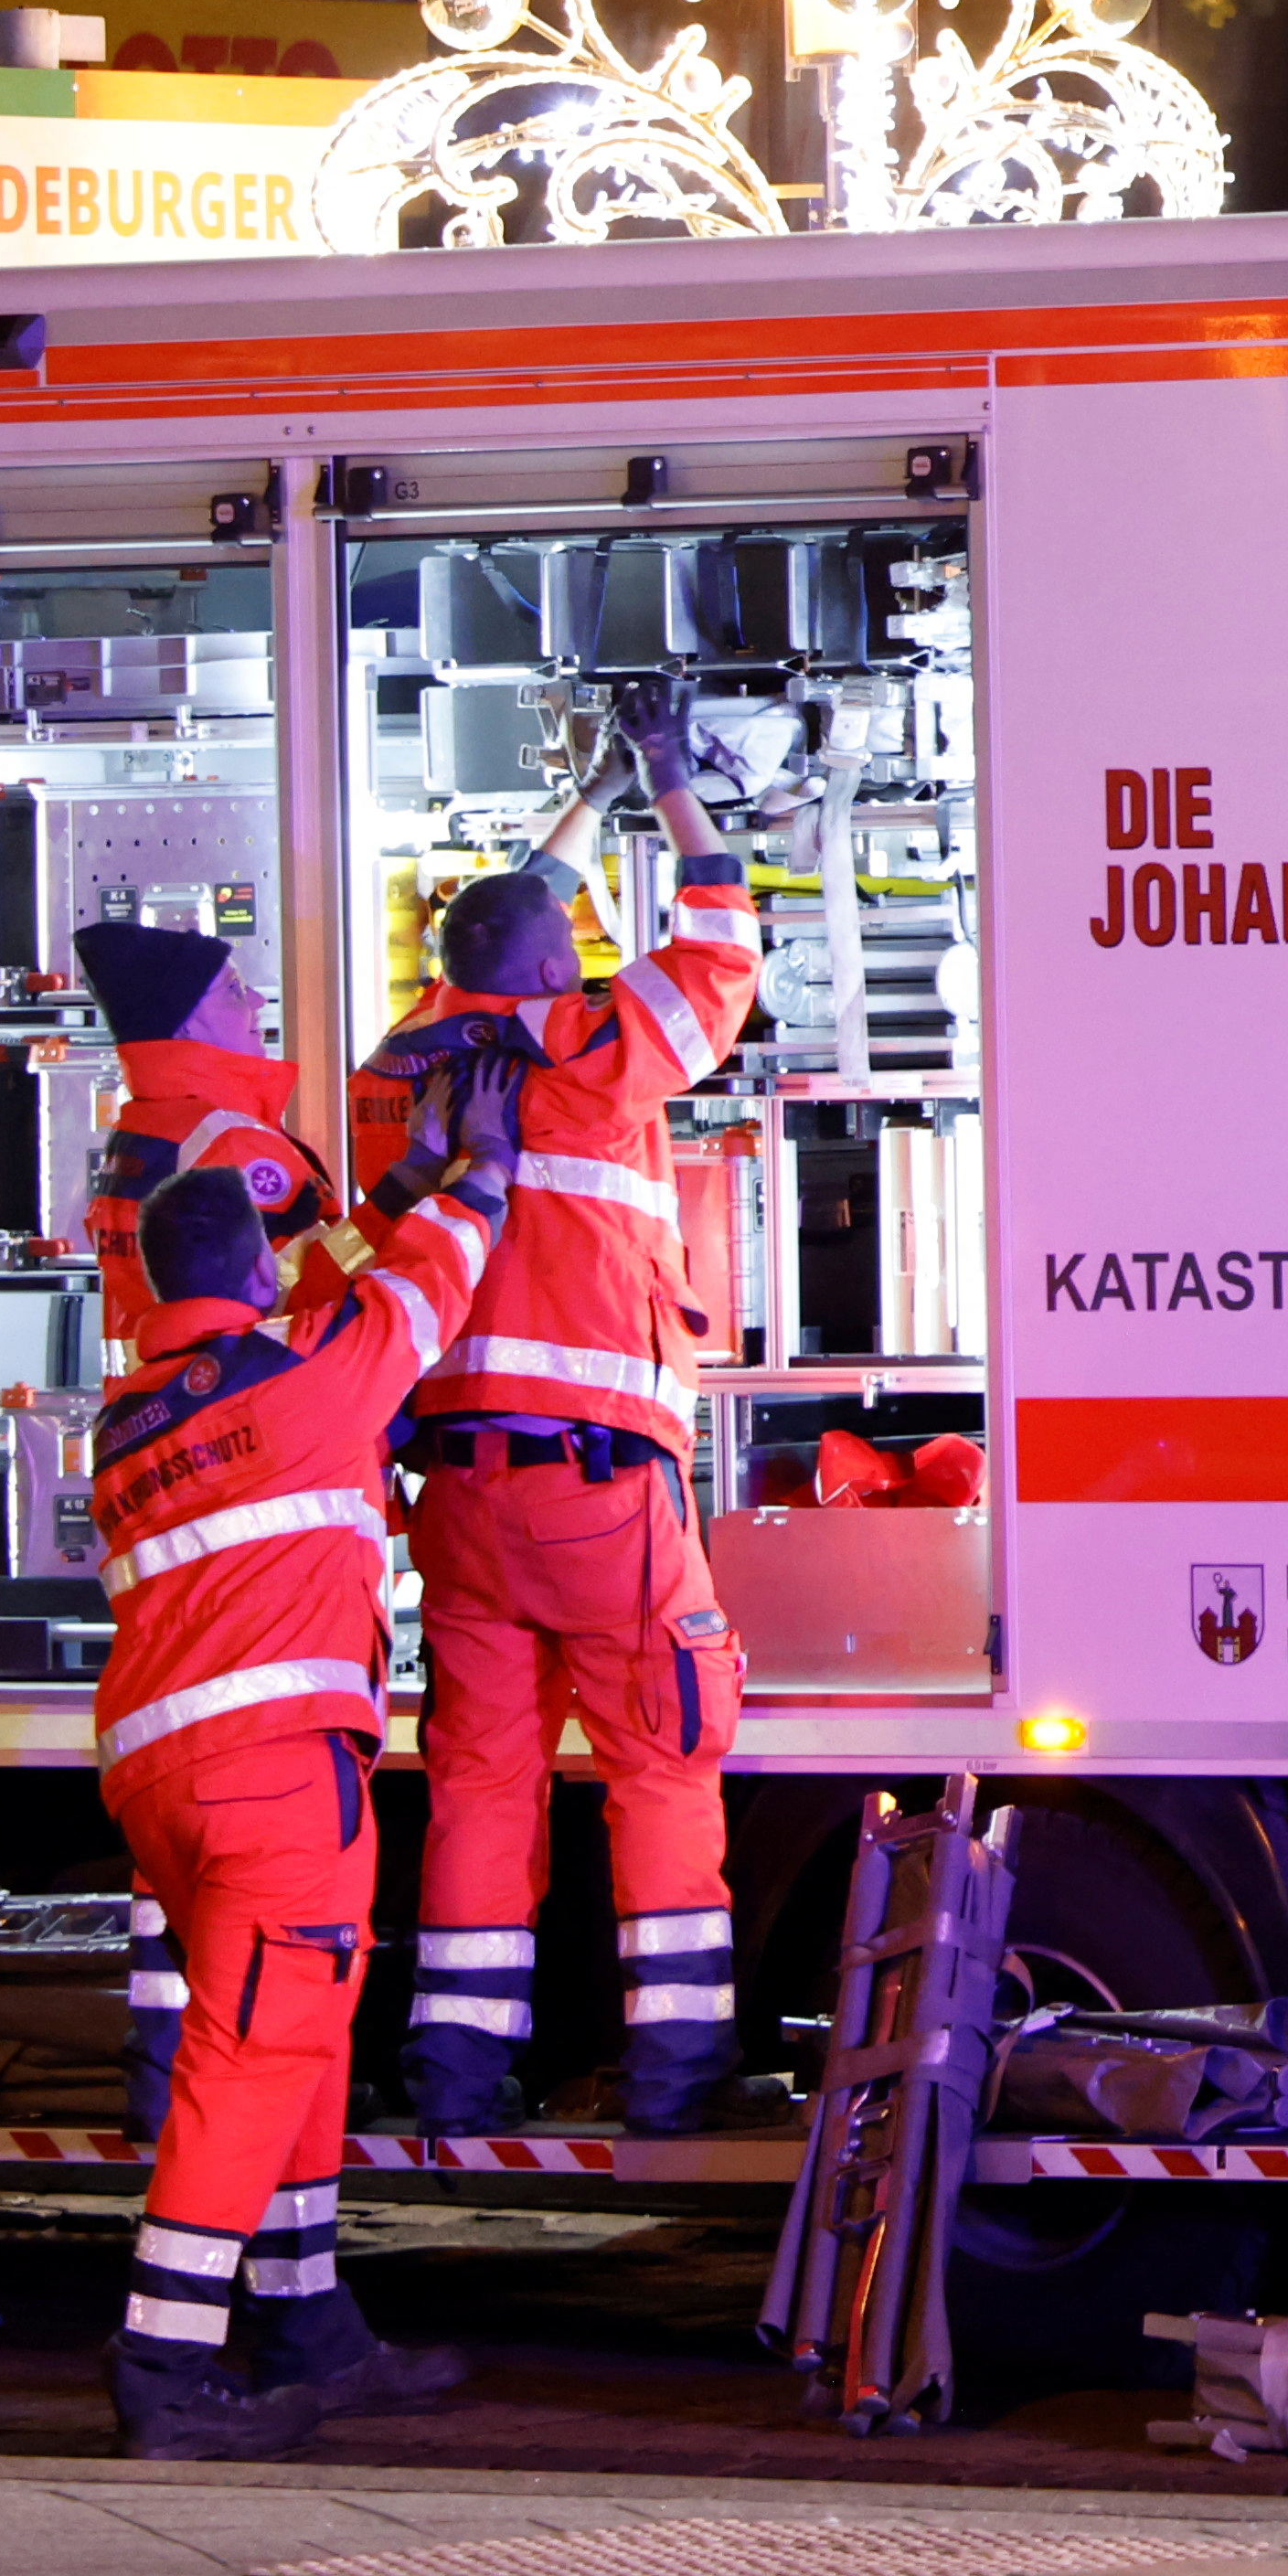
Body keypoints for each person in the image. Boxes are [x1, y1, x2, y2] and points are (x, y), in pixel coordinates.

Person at [90, 1084, 515, 2456]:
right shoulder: (309, 1377)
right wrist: (474, 1171)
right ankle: (164, 2366)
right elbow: (423, 1295)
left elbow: (327, 1309)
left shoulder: (133, 1419)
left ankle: (308, 2320)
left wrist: (380, 1210)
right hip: (273, 1774)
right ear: (259, 1270)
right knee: (257, 2053)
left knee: (300, 2041)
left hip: (166, 1775)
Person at [381, 714, 772, 2139]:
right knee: (661, 1763)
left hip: (466, 1503)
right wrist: (668, 785)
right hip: (603, 1496)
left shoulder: (411, 1063)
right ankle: (675, 2074)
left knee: (482, 1785)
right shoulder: (598, 1048)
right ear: (558, 972)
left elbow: (495, 925)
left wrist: (582, 798)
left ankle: (457, 2073)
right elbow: (724, 946)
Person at [73, 919, 313, 1343]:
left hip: (169, 1391)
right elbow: (315, 1291)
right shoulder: (233, 1142)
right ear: (184, 1024)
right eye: (234, 991)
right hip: (247, 1392)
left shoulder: (138, 1131)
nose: (256, 1000)